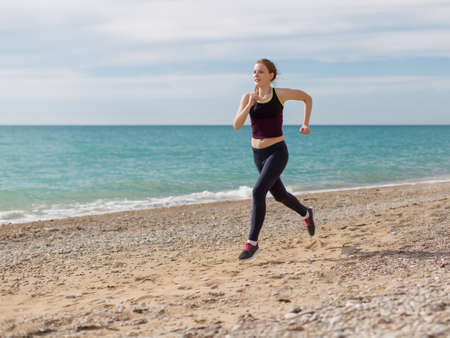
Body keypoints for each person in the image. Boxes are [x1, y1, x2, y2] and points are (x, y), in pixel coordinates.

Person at [233, 58, 315, 261]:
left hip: (277, 151)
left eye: (261, 72)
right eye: (254, 72)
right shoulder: (247, 97)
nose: (256, 75)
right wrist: (249, 105)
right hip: (258, 154)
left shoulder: (280, 94)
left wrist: (305, 123)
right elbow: (236, 125)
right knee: (279, 195)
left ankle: (252, 243)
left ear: (271, 75)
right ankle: (306, 212)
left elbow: (306, 98)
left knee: (258, 191)